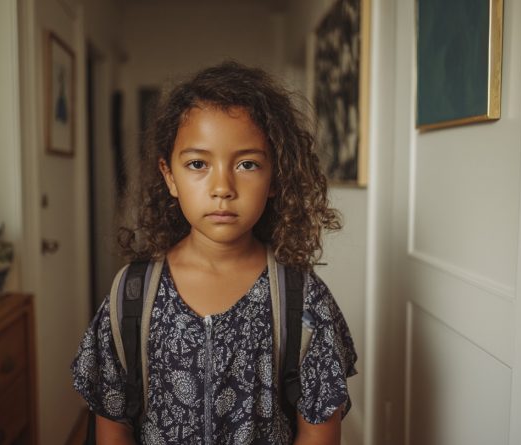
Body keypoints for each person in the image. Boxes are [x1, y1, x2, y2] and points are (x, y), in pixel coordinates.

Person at [72, 61, 357, 445]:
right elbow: (113, 422)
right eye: (197, 164)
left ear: (275, 176)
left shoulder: (303, 300)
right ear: (170, 176)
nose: (222, 187)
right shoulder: (131, 294)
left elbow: (318, 432)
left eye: (247, 164)